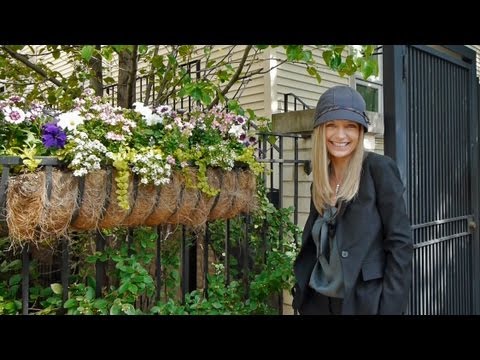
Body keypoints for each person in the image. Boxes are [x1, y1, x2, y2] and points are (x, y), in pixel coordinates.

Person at [292, 85, 413, 315]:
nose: (340, 135)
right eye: (331, 126)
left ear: (360, 131)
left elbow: (400, 246)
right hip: (318, 303)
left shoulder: (379, 169)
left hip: (363, 303)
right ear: (320, 131)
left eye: (350, 126)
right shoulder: (320, 181)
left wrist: (389, 309)